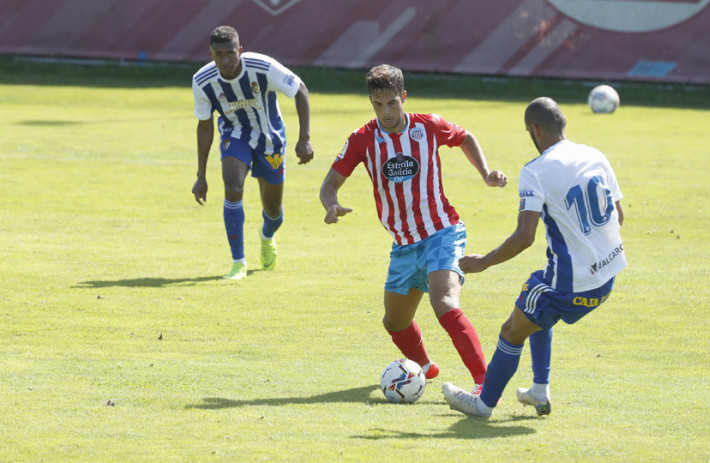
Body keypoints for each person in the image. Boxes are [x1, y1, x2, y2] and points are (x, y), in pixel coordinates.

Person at [320, 64, 508, 391]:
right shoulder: (362, 139)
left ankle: (485, 386)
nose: (386, 112)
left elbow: (465, 137)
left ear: (403, 97)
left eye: (392, 103)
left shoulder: (427, 126)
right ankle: (422, 367)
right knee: (394, 321)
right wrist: (331, 204)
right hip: (403, 244)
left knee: (445, 303)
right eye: (378, 105)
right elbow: (329, 184)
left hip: (442, 232)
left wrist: (486, 172)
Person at [442, 97, 626, 417]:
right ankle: (539, 391)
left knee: (511, 329)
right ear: (564, 122)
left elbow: (524, 237)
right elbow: (618, 217)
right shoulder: (595, 155)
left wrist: (485, 260)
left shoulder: (535, 171)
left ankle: (483, 404)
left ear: (535, 131)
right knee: (536, 298)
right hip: (607, 276)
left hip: (573, 283)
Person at [191, 25, 314, 279]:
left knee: (273, 210)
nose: (225, 60)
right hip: (234, 133)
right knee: (233, 186)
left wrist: (305, 139)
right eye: (219, 55)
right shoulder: (202, 81)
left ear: (240, 51)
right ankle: (238, 263)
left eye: (230, 54)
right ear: (210, 55)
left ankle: (267, 235)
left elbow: (300, 90)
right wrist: (201, 175)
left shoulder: (262, 67)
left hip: (270, 137)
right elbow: (204, 127)